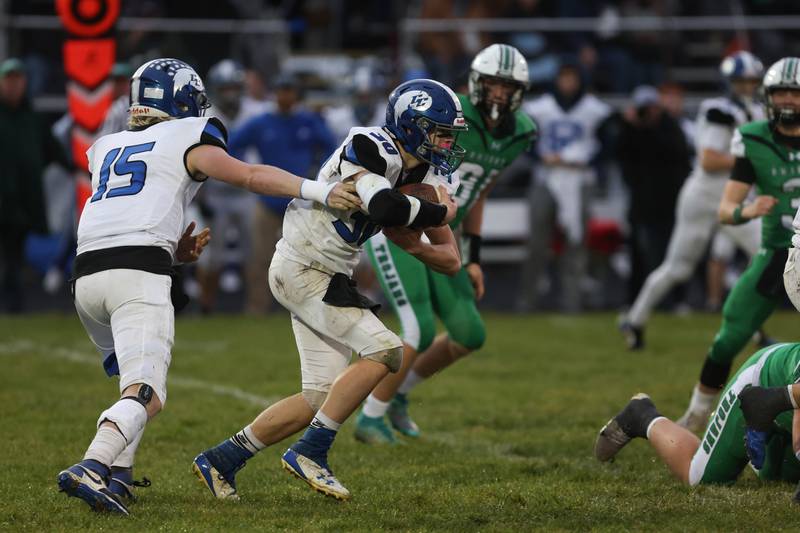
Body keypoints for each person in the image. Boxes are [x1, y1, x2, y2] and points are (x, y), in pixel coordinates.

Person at [55, 58, 359, 515]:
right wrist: (319, 191)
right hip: (136, 277)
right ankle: (93, 465)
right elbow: (251, 176)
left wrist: (173, 251)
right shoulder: (187, 136)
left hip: (87, 278)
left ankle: (118, 476)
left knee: (129, 379)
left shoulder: (106, 145)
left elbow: (121, 217)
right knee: (146, 393)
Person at [192, 79, 463, 501]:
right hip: (304, 266)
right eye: (439, 132)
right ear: (410, 126)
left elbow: (451, 260)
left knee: (318, 397)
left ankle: (221, 458)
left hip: (329, 273)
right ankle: (311, 452)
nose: (446, 143)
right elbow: (384, 207)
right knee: (386, 350)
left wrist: (418, 241)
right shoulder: (371, 144)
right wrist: (438, 210)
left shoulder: (423, 173)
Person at [354, 44, 537, 443]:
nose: (499, 95)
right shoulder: (447, 113)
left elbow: (479, 191)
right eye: (492, 85)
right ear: (475, 82)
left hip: (443, 229)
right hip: (402, 224)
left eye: (508, 88)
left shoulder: (520, 132)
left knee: (469, 332)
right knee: (417, 326)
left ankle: (398, 394)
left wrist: (473, 256)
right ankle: (370, 416)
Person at [675, 57, 800, 432]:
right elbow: (725, 210)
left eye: (795, 92)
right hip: (779, 251)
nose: (789, 101)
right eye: (781, 93)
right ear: (767, 98)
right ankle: (697, 415)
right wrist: (747, 212)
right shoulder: (754, 138)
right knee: (729, 338)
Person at [620, 52, 764, 350]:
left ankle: (753, 331)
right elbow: (709, 159)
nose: (747, 88)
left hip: (734, 194)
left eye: (751, 81)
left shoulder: (758, 112)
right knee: (678, 268)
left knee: (765, 256)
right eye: (741, 82)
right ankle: (634, 320)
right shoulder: (719, 110)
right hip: (706, 194)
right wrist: (753, 159)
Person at [594, 342, 800, 486]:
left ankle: (774, 439)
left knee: (779, 478)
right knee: (699, 477)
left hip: (785, 405)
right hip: (759, 388)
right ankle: (641, 415)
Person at [230, 73, 338, 314]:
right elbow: (233, 144)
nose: (285, 96)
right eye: (281, 90)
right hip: (266, 199)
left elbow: (332, 147)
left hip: (300, 200)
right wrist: (244, 171)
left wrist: (320, 173)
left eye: (289, 90)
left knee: (310, 256)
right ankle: (257, 308)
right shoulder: (261, 122)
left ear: (296, 94)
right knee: (260, 257)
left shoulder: (308, 121)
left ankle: (308, 309)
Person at [520, 62, 612, 312]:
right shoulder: (540, 108)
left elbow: (608, 146)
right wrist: (541, 158)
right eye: (564, 77)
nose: (568, 83)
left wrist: (586, 160)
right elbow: (523, 141)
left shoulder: (593, 109)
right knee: (537, 241)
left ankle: (572, 301)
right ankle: (527, 300)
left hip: (580, 179)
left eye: (572, 77)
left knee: (576, 240)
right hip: (546, 177)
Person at [196, 59, 269, 313]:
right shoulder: (205, 114)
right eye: (224, 88)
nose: (230, 93)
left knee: (255, 253)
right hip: (216, 192)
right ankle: (206, 306)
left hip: (250, 192)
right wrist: (201, 197)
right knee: (211, 256)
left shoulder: (258, 111)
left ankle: (255, 307)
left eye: (233, 87)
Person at [0, 58, 69, 312]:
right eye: (9, 80)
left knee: (15, 255)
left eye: (18, 80)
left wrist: (77, 168)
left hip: (21, 201)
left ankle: (14, 305)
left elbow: (53, 149)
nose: (13, 85)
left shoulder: (33, 118)